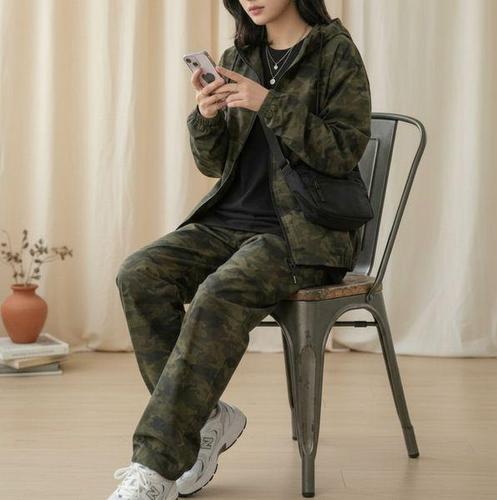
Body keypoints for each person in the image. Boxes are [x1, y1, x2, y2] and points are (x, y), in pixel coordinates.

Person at [108, 0, 371, 498]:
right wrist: (206, 116)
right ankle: (207, 417)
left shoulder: (335, 52)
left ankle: (156, 468)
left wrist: (268, 102)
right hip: (228, 222)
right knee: (139, 273)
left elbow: (343, 151)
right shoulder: (239, 56)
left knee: (218, 292)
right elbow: (215, 165)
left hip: (302, 233)